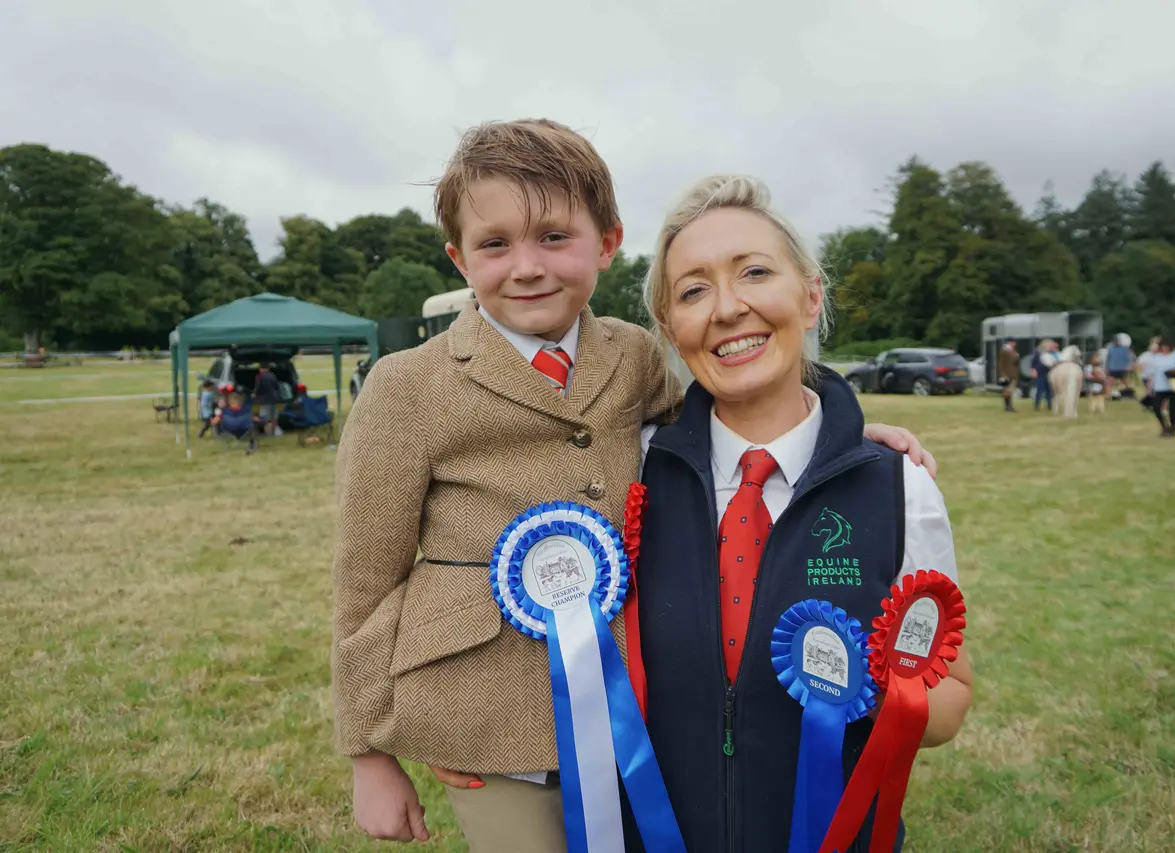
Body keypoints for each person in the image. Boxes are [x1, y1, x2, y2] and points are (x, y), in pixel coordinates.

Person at [329, 121, 935, 852]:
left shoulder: (637, 355)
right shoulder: (406, 387)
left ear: (608, 242)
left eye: (554, 236)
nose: (526, 266)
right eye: (495, 244)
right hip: (490, 729)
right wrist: (369, 751)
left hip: (639, 717)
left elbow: (716, 420)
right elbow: (364, 580)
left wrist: (834, 438)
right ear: (459, 256)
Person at [624, 175, 972, 853]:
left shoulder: (899, 488)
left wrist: (855, 682)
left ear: (811, 296)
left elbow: (949, 699)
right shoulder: (629, 469)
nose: (728, 307)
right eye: (693, 290)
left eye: (755, 271)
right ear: (671, 328)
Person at [1142, 337, 1175, 437]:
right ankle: (1164, 426)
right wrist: (1149, 388)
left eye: (1166, 347)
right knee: (1156, 408)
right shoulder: (1156, 357)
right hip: (1159, 386)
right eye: (1163, 347)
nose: (1164, 349)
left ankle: (1173, 428)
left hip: (1173, 385)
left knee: (1172, 409)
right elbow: (1151, 373)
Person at [252, 365, 282, 436]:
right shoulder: (273, 375)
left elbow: (258, 388)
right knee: (274, 418)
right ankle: (274, 432)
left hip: (265, 400)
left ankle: (268, 434)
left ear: (260, 369)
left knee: (265, 419)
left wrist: (254, 395)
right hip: (275, 399)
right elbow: (277, 387)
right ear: (268, 369)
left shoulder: (259, 376)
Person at [1031, 339, 1058, 412]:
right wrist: (1034, 370)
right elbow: (1033, 362)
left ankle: (1049, 405)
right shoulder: (1038, 353)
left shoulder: (1052, 354)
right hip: (1040, 373)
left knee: (1049, 390)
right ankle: (1037, 405)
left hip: (1048, 372)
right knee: (1040, 389)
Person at [1104, 334, 1134, 398]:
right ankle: (1107, 395)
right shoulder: (1111, 348)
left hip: (1122, 369)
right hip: (1113, 368)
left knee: (1125, 382)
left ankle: (1129, 394)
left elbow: (1128, 358)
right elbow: (1108, 359)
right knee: (1108, 382)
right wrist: (1107, 368)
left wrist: (1128, 366)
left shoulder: (1124, 348)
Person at [997, 337, 1019, 412]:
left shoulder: (1012, 350)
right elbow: (1001, 363)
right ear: (1010, 342)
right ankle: (1008, 406)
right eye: (1013, 342)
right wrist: (1003, 374)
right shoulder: (1004, 350)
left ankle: (1009, 406)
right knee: (1007, 390)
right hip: (1007, 374)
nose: (1015, 344)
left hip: (1012, 373)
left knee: (1010, 390)